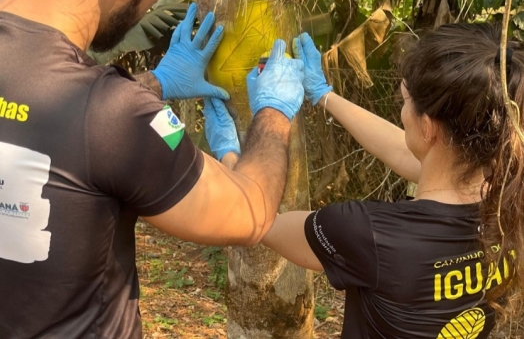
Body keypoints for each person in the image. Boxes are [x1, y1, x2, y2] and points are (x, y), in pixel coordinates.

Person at [0, 0, 305, 338]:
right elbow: (250, 212)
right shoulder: (114, 117)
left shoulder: (107, 113)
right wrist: (275, 113)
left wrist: (155, 86)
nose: (150, 1)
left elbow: (57, 130)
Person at [205, 25, 524, 338]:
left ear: (428, 128)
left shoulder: (368, 233)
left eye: (405, 101)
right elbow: (406, 152)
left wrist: (231, 153)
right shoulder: (507, 200)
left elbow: (259, 219)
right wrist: (323, 95)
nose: (402, 112)